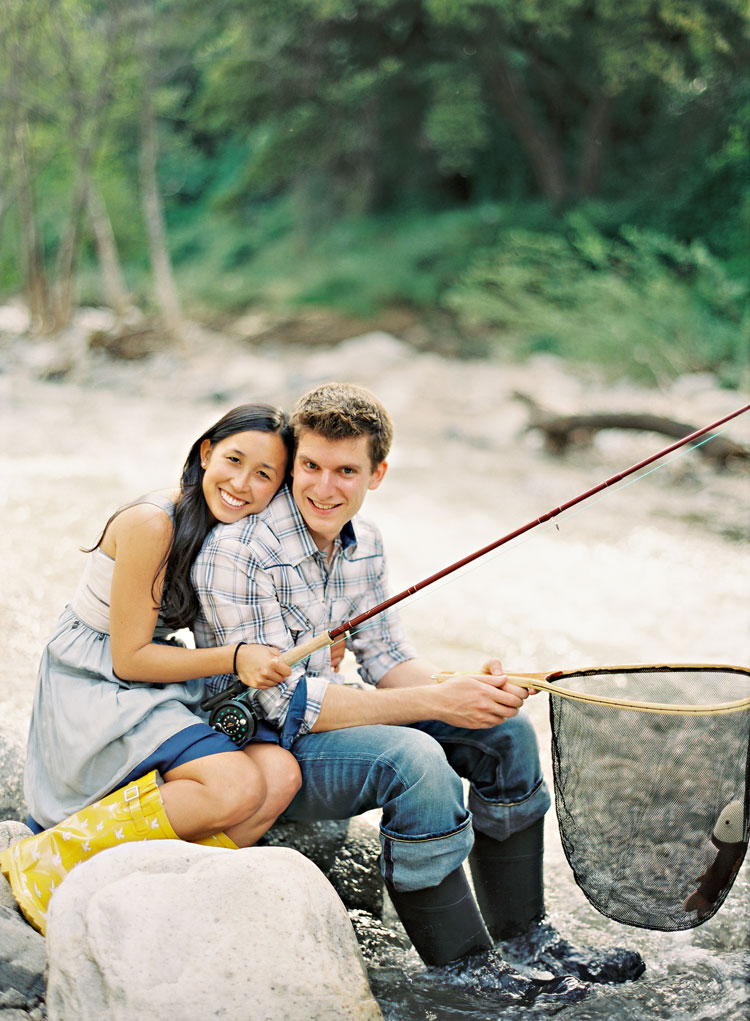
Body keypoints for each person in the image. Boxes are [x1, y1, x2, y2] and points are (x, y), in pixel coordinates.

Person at [191, 383, 645, 1002]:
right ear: (294, 461)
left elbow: (387, 659)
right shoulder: (236, 553)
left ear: (376, 473)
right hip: (261, 748)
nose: (326, 488)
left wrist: (463, 691)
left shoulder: (366, 543)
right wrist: (436, 703)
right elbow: (287, 706)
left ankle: (527, 940)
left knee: (504, 734)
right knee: (417, 762)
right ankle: (466, 976)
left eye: (346, 471)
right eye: (312, 467)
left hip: (333, 721)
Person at [1, 403, 301, 935]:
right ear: (206, 452)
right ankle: (45, 861)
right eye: (233, 459)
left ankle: (145, 897)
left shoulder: (241, 532)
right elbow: (129, 657)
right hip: (98, 677)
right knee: (232, 786)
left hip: (154, 678)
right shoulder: (152, 521)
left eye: (264, 475)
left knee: (279, 775)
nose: (241, 483)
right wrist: (236, 660)